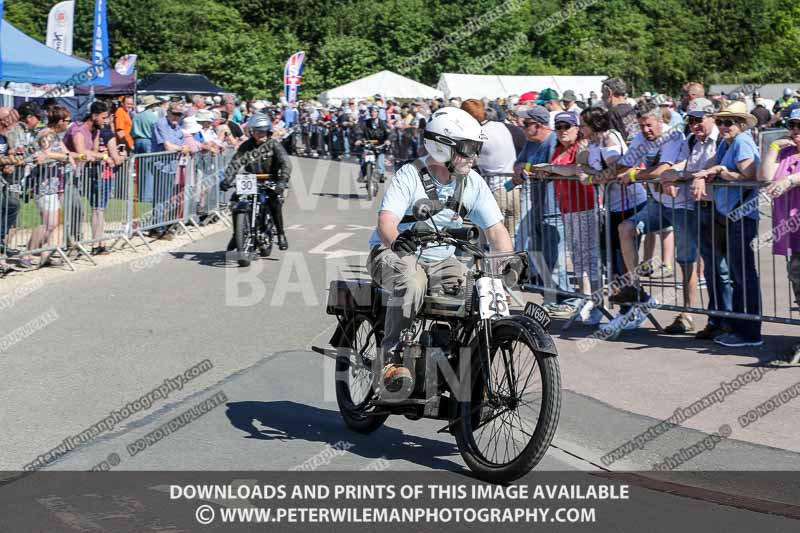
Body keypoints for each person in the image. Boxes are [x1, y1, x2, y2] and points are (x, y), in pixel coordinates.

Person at [367, 107, 512, 389]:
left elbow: (496, 230)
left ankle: (459, 367)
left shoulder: (473, 182)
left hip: (441, 261)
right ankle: (390, 358)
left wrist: (508, 263)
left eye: (476, 149)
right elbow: (386, 222)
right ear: (442, 148)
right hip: (393, 254)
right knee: (411, 281)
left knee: (475, 291)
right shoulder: (410, 175)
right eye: (468, 149)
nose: (474, 156)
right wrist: (397, 239)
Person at [608, 100, 686, 332]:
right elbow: (622, 167)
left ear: (661, 121)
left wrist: (635, 174)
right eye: (642, 126)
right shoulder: (642, 139)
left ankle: (690, 313)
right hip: (658, 203)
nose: (646, 130)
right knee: (625, 229)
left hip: (683, 204)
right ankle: (634, 285)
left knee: (687, 261)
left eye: (650, 125)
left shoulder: (673, 137)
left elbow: (663, 169)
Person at [691, 101, 763, 347]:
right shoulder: (727, 142)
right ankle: (740, 328)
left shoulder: (742, 141)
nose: (723, 126)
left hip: (742, 215)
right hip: (729, 215)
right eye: (720, 121)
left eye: (729, 122)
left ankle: (750, 333)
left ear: (740, 124)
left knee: (743, 274)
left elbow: (750, 176)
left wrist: (721, 170)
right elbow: (716, 168)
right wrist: (707, 173)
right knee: (737, 273)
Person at [533, 112, 603, 325]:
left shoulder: (581, 145)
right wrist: (549, 171)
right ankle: (585, 298)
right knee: (578, 258)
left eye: (567, 126)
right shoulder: (557, 148)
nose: (562, 130)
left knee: (589, 256)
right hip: (567, 209)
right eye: (559, 126)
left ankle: (597, 303)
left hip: (585, 207)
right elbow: (560, 170)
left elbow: (575, 168)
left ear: (576, 128)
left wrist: (551, 168)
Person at [513, 106, 575, 317]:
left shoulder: (552, 142)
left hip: (555, 208)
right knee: (538, 256)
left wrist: (530, 169)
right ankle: (552, 298)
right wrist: (527, 168)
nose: (522, 128)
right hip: (538, 207)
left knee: (555, 259)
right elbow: (518, 165)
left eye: (526, 124)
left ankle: (568, 298)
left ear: (538, 125)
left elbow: (550, 168)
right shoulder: (531, 143)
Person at [683, 99, 731, 340]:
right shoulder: (693, 141)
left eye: (698, 119)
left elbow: (719, 167)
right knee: (711, 269)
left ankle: (730, 320)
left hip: (720, 211)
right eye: (690, 120)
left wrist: (700, 175)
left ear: (711, 117)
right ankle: (716, 319)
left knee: (722, 268)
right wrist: (675, 172)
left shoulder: (722, 140)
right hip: (699, 208)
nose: (694, 125)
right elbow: (691, 167)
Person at [220, 113, 291, 251]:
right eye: (258, 131)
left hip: (271, 178)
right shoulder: (246, 146)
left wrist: (282, 181)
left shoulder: (274, 145)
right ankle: (237, 234)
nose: (261, 134)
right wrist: (227, 179)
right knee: (235, 200)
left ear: (269, 131)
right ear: (252, 132)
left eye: (264, 131)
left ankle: (281, 234)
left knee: (274, 202)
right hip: (251, 179)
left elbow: (286, 164)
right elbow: (235, 163)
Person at [763, 108, 800, 363]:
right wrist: (773, 147)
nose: (796, 130)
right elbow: (763, 176)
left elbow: (787, 181)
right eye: (793, 125)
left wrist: (792, 180)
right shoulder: (785, 151)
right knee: (797, 281)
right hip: (791, 229)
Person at [460, 99, 519, 242]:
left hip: (496, 191)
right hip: (514, 189)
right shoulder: (501, 126)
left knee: (491, 241)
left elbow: (467, 161)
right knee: (510, 240)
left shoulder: (477, 134)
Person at [150, 101, 191, 240]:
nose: (177, 117)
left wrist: (183, 147)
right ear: (168, 112)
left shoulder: (177, 126)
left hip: (172, 166)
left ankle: (160, 225)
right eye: (174, 114)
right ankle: (158, 228)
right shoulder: (160, 124)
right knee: (161, 197)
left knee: (167, 198)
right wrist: (182, 148)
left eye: (180, 115)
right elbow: (168, 146)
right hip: (161, 165)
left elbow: (180, 144)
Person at [354, 107, 391, 183]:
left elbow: (390, 132)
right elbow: (359, 131)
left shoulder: (383, 123)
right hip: (368, 144)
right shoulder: (365, 123)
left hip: (380, 145)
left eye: (374, 112)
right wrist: (358, 139)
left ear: (378, 113)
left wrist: (388, 140)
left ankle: (381, 175)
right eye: (371, 112)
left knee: (380, 159)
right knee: (364, 159)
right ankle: (363, 174)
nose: (373, 113)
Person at [602, 77, 636, 142]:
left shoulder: (611, 114)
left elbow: (611, 142)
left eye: (603, 93)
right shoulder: (632, 109)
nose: (602, 97)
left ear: (609, 92)